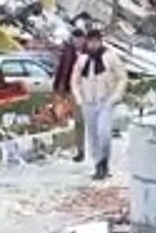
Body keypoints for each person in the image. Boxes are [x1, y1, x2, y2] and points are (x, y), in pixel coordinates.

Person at [71, 30, 127, 181]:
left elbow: (122, 77)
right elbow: (75, 80)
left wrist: (115, 96)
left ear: (101, 41)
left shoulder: (110, 57)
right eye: (91, 41)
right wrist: (79, 98)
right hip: (88, 102)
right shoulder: (82, 59)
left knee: (104, 133)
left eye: (96, 41)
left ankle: (104, 161)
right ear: (87, 43)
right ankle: (98, 165)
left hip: (105, 101)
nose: (93, 44)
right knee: (93, 135)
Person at [53, 29, 86, 162]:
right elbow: (61, 68)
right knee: (79, 121)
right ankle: (81, 150)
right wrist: (57, 87)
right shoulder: (68, 51)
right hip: (72, 89)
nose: (77, 42)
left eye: (79, 39)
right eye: (75, 39)